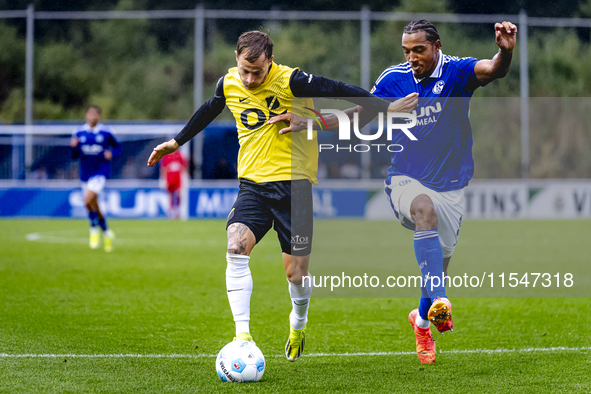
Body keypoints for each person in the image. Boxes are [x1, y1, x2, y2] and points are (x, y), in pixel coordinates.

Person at [147, 30, 415, 362]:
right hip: (253, 186)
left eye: (257, 72)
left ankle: (298, 322)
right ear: (236, 59)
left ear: (270, 62)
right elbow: (208, 109)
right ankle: (242, 336)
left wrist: (386, 106)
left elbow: (342, 90)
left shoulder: (293, 81)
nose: (249, 79)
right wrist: (176, 142)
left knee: (296, 274)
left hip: (295, 188)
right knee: (235, 247)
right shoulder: (228, 83)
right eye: (244, 70)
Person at [268, 19, 516, 364]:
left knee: (437, 267)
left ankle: (423, 320)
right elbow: (358, 115)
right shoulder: (392, 79)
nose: (412, 57)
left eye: (419, 50)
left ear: (437, 46)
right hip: (405, 180)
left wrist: (505, 52)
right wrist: (309, 123)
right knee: (424, 210)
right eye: (407, 51)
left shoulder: (457, 73)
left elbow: (493, 70)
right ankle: (443, 300)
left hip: (452, 186)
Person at [71, 105, 120, 252]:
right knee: (92, 204)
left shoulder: (106, 132)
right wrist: (73, 147)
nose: (92, 117)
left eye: (95, 114)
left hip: (100, 172)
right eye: (90, 114)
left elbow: (118, 147)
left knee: (87, 199)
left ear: (99, 117)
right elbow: (74, 156)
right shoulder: (78, 132)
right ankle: (106, 232)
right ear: (86, 116)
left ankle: (93, 229)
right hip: (85, 174)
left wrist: (112, 154)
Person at [160, 150, 188, 219]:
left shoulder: (179, 155)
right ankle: (172, 212)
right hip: (169, 179)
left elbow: (184, 166)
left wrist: (186, 176)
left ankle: (177, 211)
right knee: (171, 196)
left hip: (177, 179)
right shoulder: (166, 156)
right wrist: (163, 179)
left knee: (178, 195)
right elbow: (164, 168)